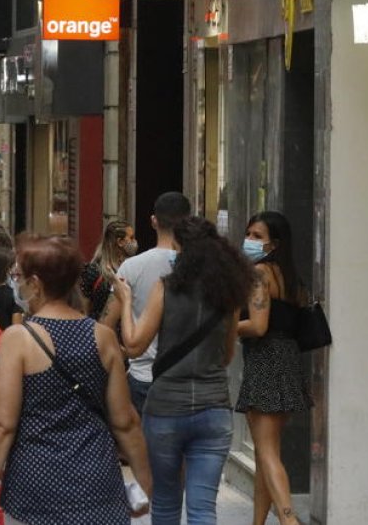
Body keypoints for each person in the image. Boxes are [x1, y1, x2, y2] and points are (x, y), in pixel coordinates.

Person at [0, 234, 151, 525]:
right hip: (98, 484)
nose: (18, 283)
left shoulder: (19, 339)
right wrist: (145, 483)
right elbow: (125, 420)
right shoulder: (103, 337)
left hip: (35, 488)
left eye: (21, 276)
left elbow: (3, 423)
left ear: (36, 284)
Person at [118, 216, 253, 525]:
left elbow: (134, 345)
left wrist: (125, 301)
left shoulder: (164, 289)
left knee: (165, 502)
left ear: (180, 251)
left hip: (165, 409)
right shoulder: (229, 294)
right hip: (214, 410)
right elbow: (227, 354)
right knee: (203, 508)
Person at [236, 212, 311, 525]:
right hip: (288, 359)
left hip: (266, 360)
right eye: (249, 233)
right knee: (264, 452)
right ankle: (259, 522)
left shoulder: (259, 274)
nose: (250, 241)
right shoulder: (291, 277)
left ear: (274, 243)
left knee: (267, 452)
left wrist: (225, 326)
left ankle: (288, 518)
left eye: (257, 236)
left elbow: (258, 325)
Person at [115, 191, 190, 413]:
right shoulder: (201, 268)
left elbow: (107, 323)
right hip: (188, 380)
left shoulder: (131, 267)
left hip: (144, 376)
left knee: (145, 446)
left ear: (153, 221)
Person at [80, 219, 136, 324]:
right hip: (99, 330)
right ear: (120, 242)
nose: (134, 242)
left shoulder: (132, 268)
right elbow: (84, 309)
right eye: (131, 238)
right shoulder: (94, 270)